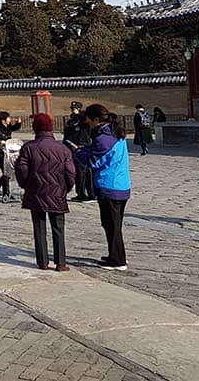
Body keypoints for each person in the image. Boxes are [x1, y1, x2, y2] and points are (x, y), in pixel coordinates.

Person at [15, 113, 76, 271]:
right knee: (58, 227)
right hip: (57, 192)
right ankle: (61, 262)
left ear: (35, 128)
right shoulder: (63, 149)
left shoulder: (28, 148)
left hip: (35, 192)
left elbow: (21, 169)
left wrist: (26, 185)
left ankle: (42, 262)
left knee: (39, 227)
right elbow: (71, 172)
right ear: (51, 128)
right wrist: (66, 188)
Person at [76, 104, 132, 271]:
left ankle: (118, 260)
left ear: (96, 120)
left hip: (110, 186)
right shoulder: (115, 133)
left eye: (89, 119)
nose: (88, 122)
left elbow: (94, 161)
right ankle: (116, 254)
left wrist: (78, 153)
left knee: (111, 225)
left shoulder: (103, 139)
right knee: (114, 225)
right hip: (122, 184)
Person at [63, 101, 94, 202]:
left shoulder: (84, 120)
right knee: (78, 173)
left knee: (87, 172)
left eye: (75, 108)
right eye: (72, 108)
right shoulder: (71, 121)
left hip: (84, 146)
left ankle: (91, 193)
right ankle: (81, 193)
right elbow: (67, 134)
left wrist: (80, 114)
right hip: (74, 148)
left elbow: (85, 120)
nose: (73, 110)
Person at [0, 112, 22, 200]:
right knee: (7, 173)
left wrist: (18, 123)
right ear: (3, 120)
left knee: (9, 172)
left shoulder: (8, 127)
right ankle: (6, 193)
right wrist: (0, 141)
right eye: (8, 118)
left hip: (8, 153)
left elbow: (15, 128)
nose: (9, 119)